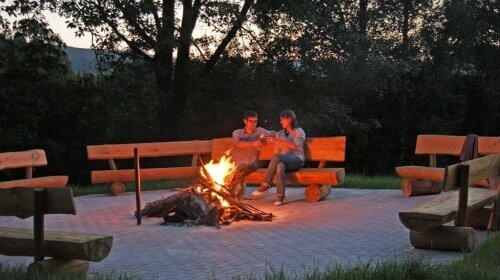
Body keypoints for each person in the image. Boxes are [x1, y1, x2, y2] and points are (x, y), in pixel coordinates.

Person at [252, 110, 305, 206]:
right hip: (283, 161)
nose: (281, 122)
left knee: (278, 158)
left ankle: (266, 184)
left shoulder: (299, 131)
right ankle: (280, 197)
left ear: (289, 119)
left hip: (297, 160)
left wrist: (276, 140)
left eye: (282, 120)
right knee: (280, 166)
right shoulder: (280, 133)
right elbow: (276, 152)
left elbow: (294, 146)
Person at [230, 111, 273, 196]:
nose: (253, 124)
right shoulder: (237, 133)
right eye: (251, 121)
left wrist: (267, 139)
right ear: (245, 121)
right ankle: (238, 189)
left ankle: (232, 193)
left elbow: (276, 134)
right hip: (237, 162)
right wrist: (253, 143)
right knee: (238, 169)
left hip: (253, 163)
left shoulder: (260, 131)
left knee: (245, 168)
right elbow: (237, 144)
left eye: (255, 121)